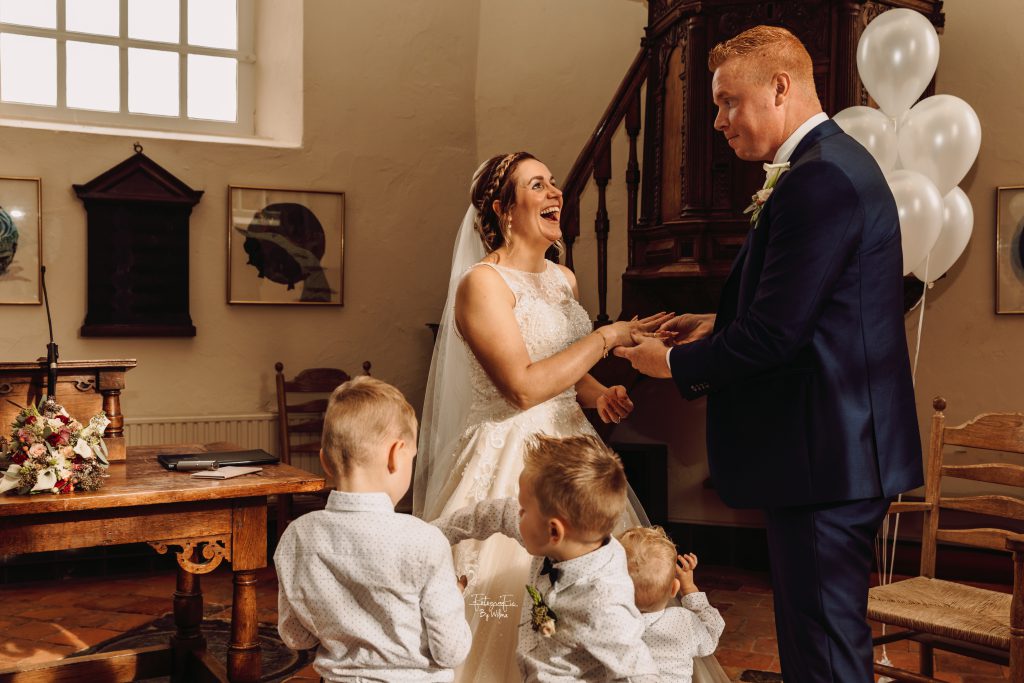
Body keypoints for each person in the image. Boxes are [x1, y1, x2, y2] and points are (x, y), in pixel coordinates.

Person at [615, 25, 923, 682]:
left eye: (729, 101)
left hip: (825, 457)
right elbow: (808, 310)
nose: (718, 122)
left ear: (780, 87)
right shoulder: (825, 164)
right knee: (818, 643)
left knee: (824, 654)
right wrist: (712, 323)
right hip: (834, 451)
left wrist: (669, 365)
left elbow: (776, 337)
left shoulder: (819, 179)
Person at [412, 151, 679, 679]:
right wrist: (607, 337)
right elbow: (522, 387)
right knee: (503, 591)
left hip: (573, 450)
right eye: (537, 185)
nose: (556, 192)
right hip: (510, 453)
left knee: (597, 587)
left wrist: (597, 394)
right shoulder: (482, 284)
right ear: (503, 209)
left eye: (554, 183)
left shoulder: (564, 280)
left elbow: (561, 370)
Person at [274, 376, 472, 681]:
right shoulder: (425, 541)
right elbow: (450, 651)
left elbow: (296, 637)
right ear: (396, 455)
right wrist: (455, 598)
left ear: (325, 461)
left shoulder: (296, 536)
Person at [432, 434, 661, 682]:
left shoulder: (603, 604)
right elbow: (494, 513)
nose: (516, 513)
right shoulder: (559, 538)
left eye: (523, 510)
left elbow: (640, 673)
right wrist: (431, 534)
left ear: (554, 531)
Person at [619, 527, 725, 682]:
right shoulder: (683, 621)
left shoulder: (605, 623)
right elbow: (711, 633)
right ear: (674, 588)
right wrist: (689, 588)